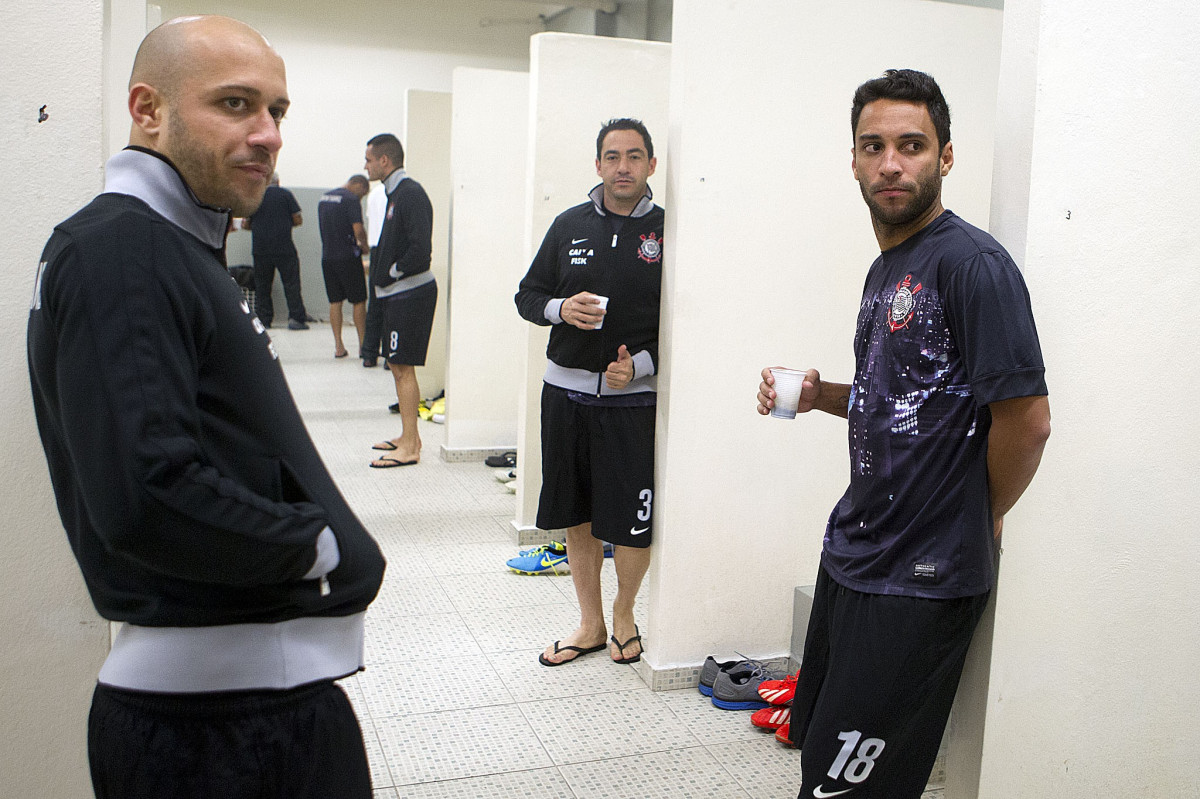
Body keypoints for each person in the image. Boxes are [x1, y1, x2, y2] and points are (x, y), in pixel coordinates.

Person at [26, 16, 386, 797]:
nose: (267, 134)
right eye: (234, 104)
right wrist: (315, 543)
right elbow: (147, 492)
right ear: (147, 109)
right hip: (213, 732)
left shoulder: (173, 245)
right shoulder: (121, 247)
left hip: (254, 715)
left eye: (277, 111)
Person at [755, 69, 1051, 799]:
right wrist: (821, 393)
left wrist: (977, 514)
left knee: (852, 790)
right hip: (854, 555)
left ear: (944, 156)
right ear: (853, 159)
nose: (892, 162)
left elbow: (1028, 420)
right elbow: (903, 398)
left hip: (920, 581)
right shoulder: (888, 268)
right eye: (874, 145)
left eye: (912, 145)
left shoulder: (972, 265)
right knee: (819, 750)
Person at [515, 118, 664, 667]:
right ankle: (591, 623)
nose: (622, 166)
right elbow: (527, 296)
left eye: (633, 156)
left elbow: (685, 330)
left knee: (631, 518)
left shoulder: (670, 233)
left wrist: (642, 367)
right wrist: (560, 308)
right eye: (611, 156)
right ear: (597, 165)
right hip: (565, 398)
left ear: (652, 165)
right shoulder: (568, 225)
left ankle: (624, 613)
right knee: (575, 513)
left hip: (633, 403)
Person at [363, 133, 437, 467]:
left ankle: (411, 448)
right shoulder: (393, 195)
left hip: (411, 294)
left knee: (403, 368)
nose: (365, 166)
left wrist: (391, 271)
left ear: (385, 160)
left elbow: (421, 250)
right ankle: (409, 436)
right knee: (396, 367)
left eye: (369, 159)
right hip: (395, 294)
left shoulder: (411, 194)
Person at [242, 173, 308, 329]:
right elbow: (298, 219)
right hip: (284, 248)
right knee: (291, 283)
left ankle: (264, 320)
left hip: (260, 249)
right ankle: (296, 319)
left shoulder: (255, 195)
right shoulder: (285, 194)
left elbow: (245, 224)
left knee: (262, 286)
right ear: (278, 181)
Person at [317, 174, 371, 358]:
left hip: (328, 257)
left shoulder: (324, 198)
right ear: (357, 184)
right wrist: (364, 246)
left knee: (335, 301)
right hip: (348, 256)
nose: (361, 198)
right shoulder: (350, 199)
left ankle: (338, 346)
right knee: (358, 300)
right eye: (362, 193)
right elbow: (358, 229)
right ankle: (363, 345)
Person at [360, 181, 388, 368]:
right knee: (391, 305)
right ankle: (389, 356)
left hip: (374, 248)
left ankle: (369, 354)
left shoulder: (374, 193)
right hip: (389, 247)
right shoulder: (394, 192)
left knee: (374, 304)